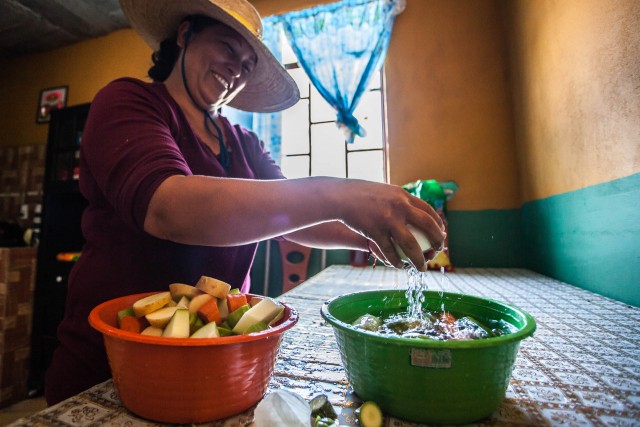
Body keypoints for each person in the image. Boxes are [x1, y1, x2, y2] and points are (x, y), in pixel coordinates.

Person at [44, 0, 446, 405]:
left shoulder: (243, 141)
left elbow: (295, 217)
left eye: (248, 63)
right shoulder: (128, 102)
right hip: (110, 367)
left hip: (214, 361)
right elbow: (168, 206)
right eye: (227, 47)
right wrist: (342, 194)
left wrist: (371, 232)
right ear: (185, 34)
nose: (237, 68)